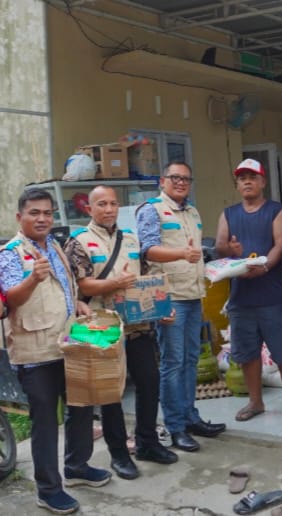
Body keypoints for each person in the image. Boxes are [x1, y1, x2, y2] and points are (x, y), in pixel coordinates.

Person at [0, 188, 111, 515]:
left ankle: (77, 467)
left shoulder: (56, 246)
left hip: (68, 345)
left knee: (80, 407)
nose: (42, 218)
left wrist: (76, 302)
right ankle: (48, 490)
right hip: (35, 352)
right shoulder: (10, 254)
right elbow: (9, 302)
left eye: (47, 213)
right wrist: (33, 279)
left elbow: (65, 289)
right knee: (46, 422)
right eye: (35, 212)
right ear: (20, 217)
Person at [64, 186, 178, 480]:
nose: (109, 209)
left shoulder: (130, 239)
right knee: (110, 391)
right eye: (101, 204)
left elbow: (147, 279)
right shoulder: (79, 242)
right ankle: (119, 454)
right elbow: (83, 285)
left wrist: (162, 307)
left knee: (150, 381)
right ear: (89, 209)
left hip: (137, 324)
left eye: (113, 203)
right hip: (100, 326)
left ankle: (147, 443)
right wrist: (116, 284)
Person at [136, 161, 225, 452]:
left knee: (190, 360)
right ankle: (175, 427)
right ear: (163, 181)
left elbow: (196, 253)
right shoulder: (151, 209)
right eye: (175, 178)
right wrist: (181, 254)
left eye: (186, 178)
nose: (181, 182)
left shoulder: (192, 211)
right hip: (168, 297)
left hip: (192, 294)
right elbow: (147, 249)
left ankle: (190, 418)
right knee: (172, 364)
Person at [215, 158, 282, 423]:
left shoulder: (276, 211)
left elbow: (280, 245)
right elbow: (221, 245)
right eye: (242, 178)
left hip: (272, 294)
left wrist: (265, 267)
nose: (247, 181)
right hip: (241, 297)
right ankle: (255, 403)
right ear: (237, 184)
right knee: (246, 353)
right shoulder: (229, 214)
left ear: (262, 182)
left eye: (252, 177)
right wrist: (229, 251)